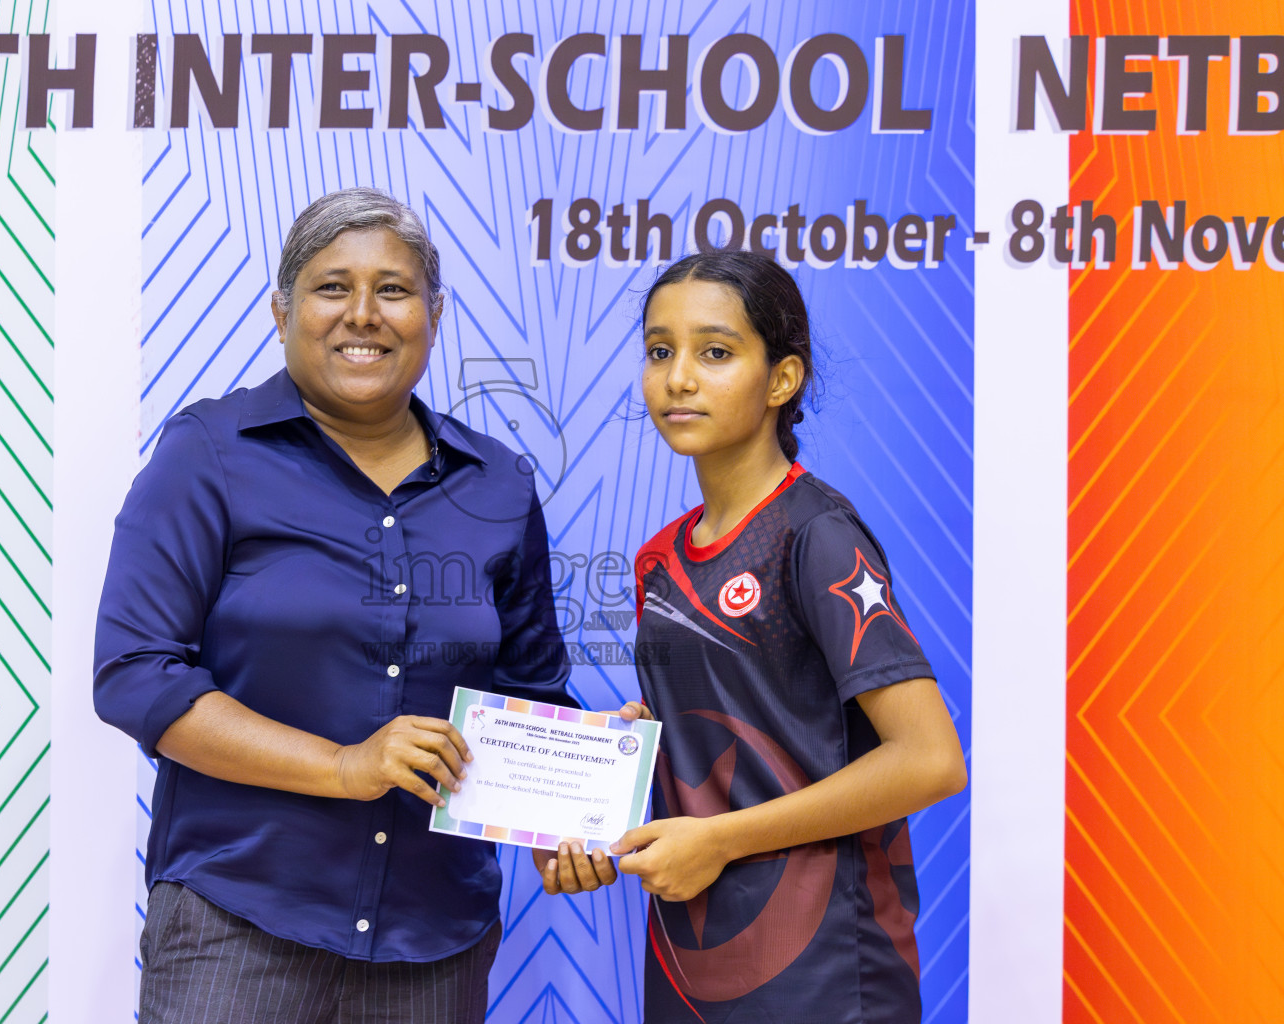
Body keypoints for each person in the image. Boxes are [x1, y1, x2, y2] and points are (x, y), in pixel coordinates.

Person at [93, 187, 611, 1024]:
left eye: (395, 291)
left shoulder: (500, 484)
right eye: (332, 287)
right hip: (240, 923)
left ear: (434, 315)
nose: (363, 315)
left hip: (434, 941)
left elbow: (530, 695)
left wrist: (574, 799)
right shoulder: (209, 455)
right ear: (280, 309)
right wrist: (344, 767)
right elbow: (136, 675)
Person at [608, 250, 968, 1023]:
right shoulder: (660, 559)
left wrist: (720, 841)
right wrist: (611, 774)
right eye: (659, 351)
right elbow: (732, 726)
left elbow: (930, 761)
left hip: (822, 968)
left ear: (782, 379)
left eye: (715, 352)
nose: (678, 378)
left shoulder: (817, 535)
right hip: (693, 960)